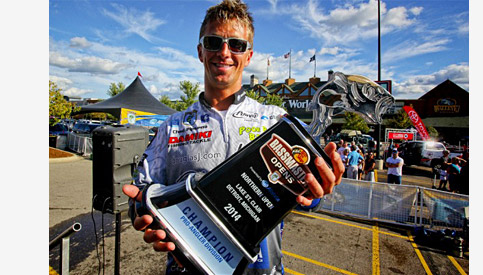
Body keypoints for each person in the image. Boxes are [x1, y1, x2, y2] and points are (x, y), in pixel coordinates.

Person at [121, 1, 344, 274]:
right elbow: (140, 195)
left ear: (248, 56)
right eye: (214, 42)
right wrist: (146, 217)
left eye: (236, 44)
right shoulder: (172, 126)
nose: (224, 52)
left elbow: (312, 200)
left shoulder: (277, 122)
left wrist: (319, 190)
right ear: (200, 51)